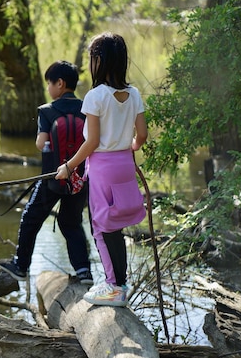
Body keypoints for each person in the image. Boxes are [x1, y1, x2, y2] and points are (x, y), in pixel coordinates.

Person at [55, 32, 148, 307]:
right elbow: (141, 136)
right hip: (124, 164)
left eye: (92, 58)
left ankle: (113, 287)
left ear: (99, 61)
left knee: (101, 226)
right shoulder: (134, 94)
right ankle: (120, 283)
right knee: (115, 225)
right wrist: (127, 147)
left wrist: (68, 166)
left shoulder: (95, 97)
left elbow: (92, 141)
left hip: (102, 168)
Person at [0, 60, 93, 285]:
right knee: (71, 223)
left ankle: (21, 266)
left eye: (50, 83)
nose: (48, 88)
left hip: (51, 178)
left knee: (31, 218)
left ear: (60, 84)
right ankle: (84, 272)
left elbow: (41, 144)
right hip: (79, 180)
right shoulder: (87, 110)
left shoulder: (47, 111)